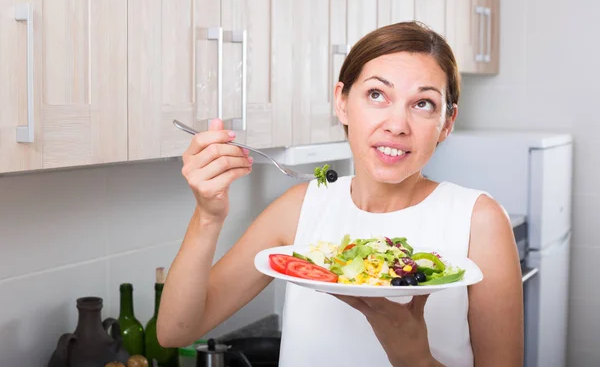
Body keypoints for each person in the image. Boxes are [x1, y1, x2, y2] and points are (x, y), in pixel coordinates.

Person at [157, 21, 524, 367]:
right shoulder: (301, 207)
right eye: (377, 94)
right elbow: (176, 331)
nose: (397, 125)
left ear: (446, 122)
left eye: (423, 103)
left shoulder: (480, 220)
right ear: (342, 101)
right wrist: (208, 215)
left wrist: (414, 358)